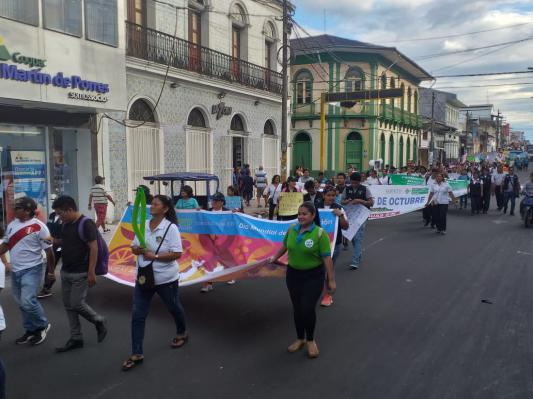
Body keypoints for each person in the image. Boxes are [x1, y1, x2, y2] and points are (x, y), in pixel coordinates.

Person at [124, 195, 187, 371]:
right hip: (144, 277)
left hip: (165, 278)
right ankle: (137, 352)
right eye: (152, 203)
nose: (152, 206)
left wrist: (155, 256)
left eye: (156, 204)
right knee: (138, 314)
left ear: (165, 209)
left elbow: (177, 253)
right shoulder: (143, 225)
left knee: (173, 306)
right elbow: (134, 247)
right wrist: (138, 250)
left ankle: (182, 331)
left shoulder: (171, 228)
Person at [268, 202, 336, 359]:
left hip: (313, 276)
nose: (300, 216)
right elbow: (284, 246)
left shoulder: (320, 234)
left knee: (307, 308)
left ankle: (311, 340)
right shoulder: (292, 229)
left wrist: (331, 280)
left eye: (304, 214)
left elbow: (327, 258)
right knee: (297, 308)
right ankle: (300, 339)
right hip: (293, 275)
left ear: (312, 216)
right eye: (299, 213)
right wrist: (274, 258)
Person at [52, 196, 107, 353]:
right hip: (66, 271)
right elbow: (68, 241)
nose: (59, 216)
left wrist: (91, 272)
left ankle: (99, 320)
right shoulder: (65, 224)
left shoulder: (86, 223)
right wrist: (55, 241)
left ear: (69, 209)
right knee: (69, 306)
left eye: (60, 213)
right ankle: (76, 338)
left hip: (80, 272)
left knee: (76, 303)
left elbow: (94, 248)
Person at [0, 197, 53, 346]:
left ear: (28, 210)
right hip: (16, 270)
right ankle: (30, 329)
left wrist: (51, 272)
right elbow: (6, 245)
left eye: (18, 208)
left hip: (32, 269)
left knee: (27, 301)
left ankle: (43, 325)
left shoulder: (39, 227)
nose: (14, 210)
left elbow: (49, 251)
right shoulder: (12, 225)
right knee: (22, 303)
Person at [317, 186, 348, 307]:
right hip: (316, 244)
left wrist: (340, 216)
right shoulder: (316, 207)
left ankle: (328, 295)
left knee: (328, 269)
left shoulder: (339, 208)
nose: (331, 198)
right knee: (316, 270)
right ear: (323, 195)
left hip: (334, 244)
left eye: (333, 195)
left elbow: (345, 226)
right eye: (328, 195)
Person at [342, 173, 374, 269]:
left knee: (358, 237)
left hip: (362, 215)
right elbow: (341, 201)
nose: (354, 184)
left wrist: (361, 201)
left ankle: (355, 261)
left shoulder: (365, 189)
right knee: (352, 236)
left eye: (356, 183)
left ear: (359, 182)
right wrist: (346, 201)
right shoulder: (347, 189)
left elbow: (371, 202)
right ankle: (358, 253)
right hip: (351, 215)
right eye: (352, 182)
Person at [201, 192, 230, 292]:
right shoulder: (207, 212)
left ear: (222, 202)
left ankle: (229, 275)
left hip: (223, 240)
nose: (213, 202)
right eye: (213, 200)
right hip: (210, 240)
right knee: (209, 260)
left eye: (216, 201)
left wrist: (236, 212)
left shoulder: (228, 212)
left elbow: (235, 222)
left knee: (224, 259)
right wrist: (197, 212)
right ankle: (207, 283)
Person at [37, 206, 63, 298]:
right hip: (53, 245)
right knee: (50, 266)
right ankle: (46, 288)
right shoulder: (52, 215)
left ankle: (76, 285)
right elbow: (47, 228)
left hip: (64, 244)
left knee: (69, 267)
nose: (55, 209)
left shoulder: (64, 217)